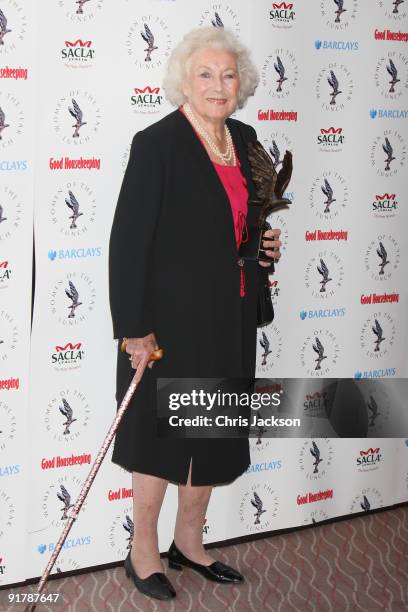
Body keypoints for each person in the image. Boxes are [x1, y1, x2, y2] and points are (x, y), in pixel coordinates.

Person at [108, 26, 282, 601]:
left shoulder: (248, 140)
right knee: (161, 435)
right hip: (169, 325)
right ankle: (143, 553)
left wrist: (264, 246)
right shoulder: (156, 144)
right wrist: (134, 330)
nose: (218, 84)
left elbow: (246, 223)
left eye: (228, 75)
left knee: (212, 431)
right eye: (205, 74)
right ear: (185, 79)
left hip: (229, 317)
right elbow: (129, 243)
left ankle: (189, 542)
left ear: (241, 84)